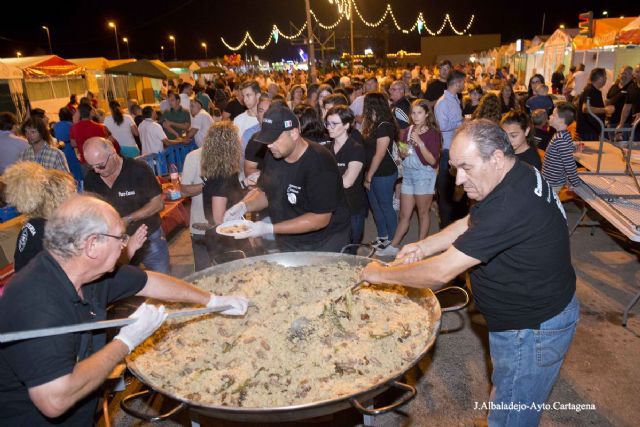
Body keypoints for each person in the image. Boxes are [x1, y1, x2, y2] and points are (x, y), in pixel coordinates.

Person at [360, 119, 578, 427]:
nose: (459, 180)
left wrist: (380, 275)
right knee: (506, 392)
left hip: (532, 329)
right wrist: (424, 246)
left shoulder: (511, 204)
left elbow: (441, 273)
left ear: (497, 158)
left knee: (513, 415)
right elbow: (472, 222)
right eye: (455, 168)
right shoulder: (515, 173)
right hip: (527, 318)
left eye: (467, 167)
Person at [0, 194, 248, 426]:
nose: (125, 244)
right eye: (120, 237)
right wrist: (126, 342)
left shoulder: (90, 272)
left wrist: (212, 300)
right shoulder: (35, 302)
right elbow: (54, 400)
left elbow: (150, 281)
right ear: (92, 245)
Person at [223, 104, 351, 252]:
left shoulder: (319, 162)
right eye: (267, 140)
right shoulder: (273, 154)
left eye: (274, 139)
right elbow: (266, 192)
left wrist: (269, 228)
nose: (269, 145)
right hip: (289, 238)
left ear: (294, 133)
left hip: (325, 241)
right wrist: (244, 206)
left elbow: (320, 219)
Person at [83, 137, 170, 273]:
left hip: (149, 237)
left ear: (113, 153)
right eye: (91, 166)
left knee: (163, 282)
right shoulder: (91, 178)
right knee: (127, 288)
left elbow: (158, 203)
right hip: (117, 244)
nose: (97, 171)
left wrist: (128, 219)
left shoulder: (138, 169)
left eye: (100, 165)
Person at [378, 99, 441, 256]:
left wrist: (420, 143)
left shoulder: (432, 133)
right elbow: (404, 152)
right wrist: (403, 151)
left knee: (422, 213)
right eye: (413, 113)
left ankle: (420, 248)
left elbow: (433, 161)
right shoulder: (408, 130)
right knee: (404, 214)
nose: (415, 116)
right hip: (409, 174)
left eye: (419, 112)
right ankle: (394, 245)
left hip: (424, 175)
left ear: (427, 114)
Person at [201, 121, 251, 261]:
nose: (240, 143)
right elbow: (219, 218)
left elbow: (229, 197)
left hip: (227, 239)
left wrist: (244, 184)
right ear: (230, 146)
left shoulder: (223, 172)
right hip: (226, 242)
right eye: (237, 139)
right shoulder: (222, 177)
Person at [325, 105, 367, 249]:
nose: (329, 127)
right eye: (327, 123)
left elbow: (347, 182)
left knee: (349, 251)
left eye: (334, 124)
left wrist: (322, 180)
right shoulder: (326, 149)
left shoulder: (356, 148)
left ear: (346, 125)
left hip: (352, 208)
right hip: (332, 208)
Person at [362, 92, 399, 250]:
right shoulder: (373, 123)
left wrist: (369, 176)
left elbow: (380, 154)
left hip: (383, 173)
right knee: (376, 207)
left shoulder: (384, 125)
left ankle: (392, 241)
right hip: (373, 171)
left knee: (385, 207)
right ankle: (383, 237)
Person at [434, 69, 466, 229]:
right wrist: (460, 123)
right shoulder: (443, 102)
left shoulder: (454, 99)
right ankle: (445, 225)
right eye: (463, 82)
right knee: (446, 191)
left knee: (456, 189)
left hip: (454, 150)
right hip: (447, 151)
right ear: (458, 82)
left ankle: (452, 224)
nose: (465, 85)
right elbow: (442, 126)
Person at [542, 102, 582, 194]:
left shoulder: (560, 138)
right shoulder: (563, 135)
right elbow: (564, 154)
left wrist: (576, 184)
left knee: (549, 205)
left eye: (553, 115)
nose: (550, 116)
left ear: (561, 120)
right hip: (551, 180)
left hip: (552, 183)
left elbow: (569, 164)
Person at [576, 68, 615, 141]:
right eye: (605, 77)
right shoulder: (590, 90)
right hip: (588, 131)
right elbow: (586, 108)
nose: (606, 80)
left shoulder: (594, 90)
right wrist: (605, 110)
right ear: (600, 78)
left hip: (592, 130)